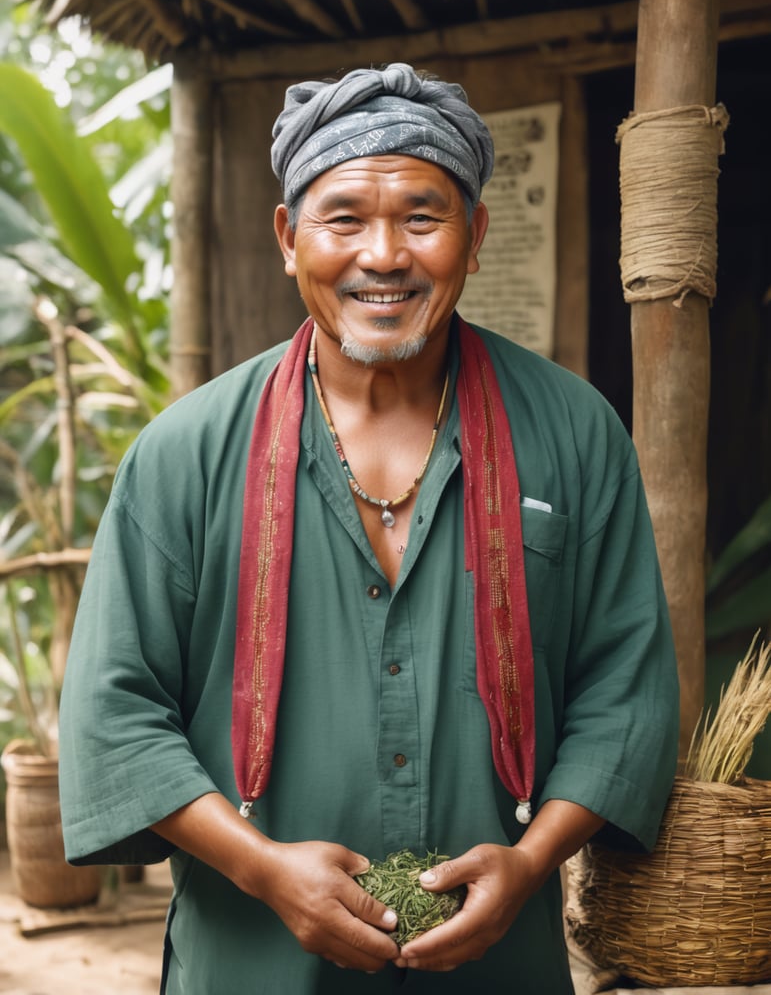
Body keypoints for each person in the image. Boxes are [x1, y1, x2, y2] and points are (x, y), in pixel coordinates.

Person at [58, 63, 679, 994]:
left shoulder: (575, 433)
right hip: (251, 964)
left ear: (473, 239)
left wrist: (528, 862)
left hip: (497, 968)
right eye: (343, 217)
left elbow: (621, 691)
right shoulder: (183, 453)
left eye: (422, 218)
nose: (382, 254)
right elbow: (115, 715)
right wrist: (263, 867)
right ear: (287, 238)